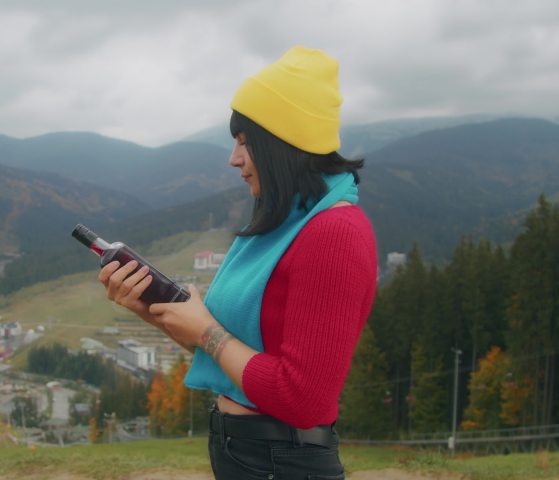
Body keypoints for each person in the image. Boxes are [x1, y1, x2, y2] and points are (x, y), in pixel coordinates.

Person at [99, 46, 377, 480]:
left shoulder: (334, 233)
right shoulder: (283, 225)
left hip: (281, 461)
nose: (234, 158)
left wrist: (204, 331)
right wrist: (151, 310)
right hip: (248, 453)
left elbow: (302, 399)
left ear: (283, 143)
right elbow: (234, 353)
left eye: (246, 142)